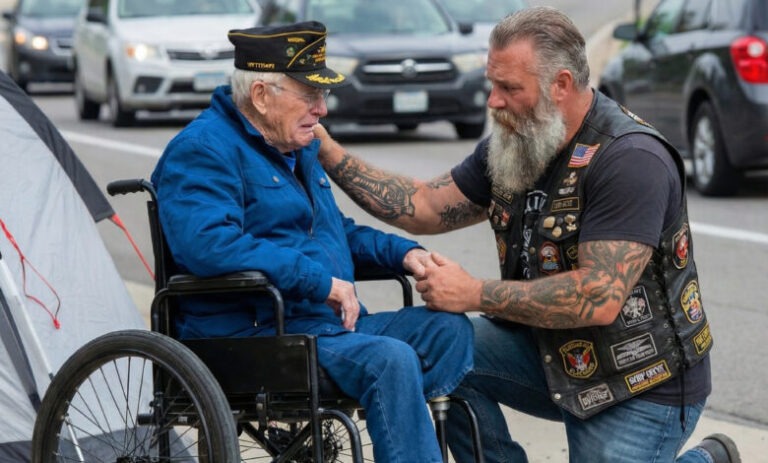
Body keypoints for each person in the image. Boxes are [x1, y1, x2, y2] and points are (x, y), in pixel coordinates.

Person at [313, 6, 741, 463]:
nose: (493, 101)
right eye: (492, 84)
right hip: (549, 351)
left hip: (638, 380)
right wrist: (326, 150)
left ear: (560, 85)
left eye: (509, 88)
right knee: (438, 347)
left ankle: (708, 458)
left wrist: (473, 293)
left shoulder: (631, 158)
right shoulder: (517, 138)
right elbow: (425, 207)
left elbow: (599, 296)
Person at [150, 21, 474, 463]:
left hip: (318, 328)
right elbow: (208, 245)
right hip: (253, 336)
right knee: (390, 361)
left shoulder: (294, 146)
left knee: (448, 330)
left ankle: (416, 439)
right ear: (262, 95)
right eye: (309, 96)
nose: (322, 110)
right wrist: (319, 282)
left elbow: (334, 232)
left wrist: (406, 254)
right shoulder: (203, 150)